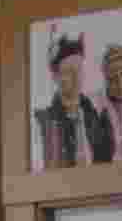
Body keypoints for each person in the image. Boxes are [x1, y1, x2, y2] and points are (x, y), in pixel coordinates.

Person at [33, 31, 101, 170]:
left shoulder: (95, 116)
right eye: (69, 71)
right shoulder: (44, 121)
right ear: (55, 77)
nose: (77, 77)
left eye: (79, 69)